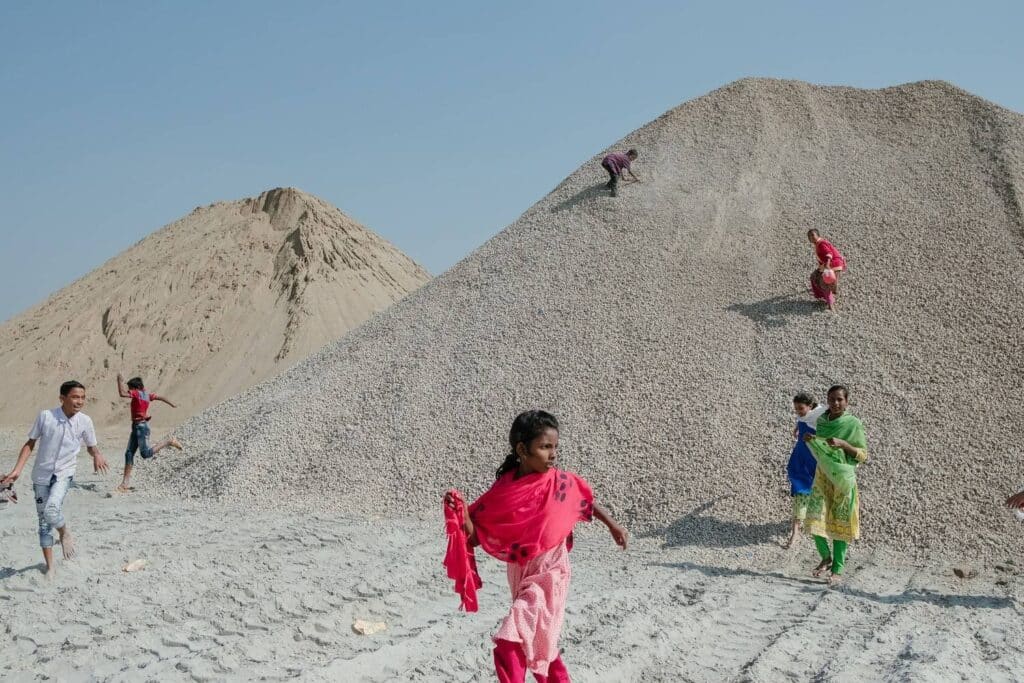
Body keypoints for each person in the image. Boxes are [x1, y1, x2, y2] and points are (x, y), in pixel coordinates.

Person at [443, 410, 628, 682]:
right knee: (541, 636)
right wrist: (460, 511)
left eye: (555, 447)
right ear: (522, 449)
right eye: (544, 447)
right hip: (522, 572)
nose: (553, 454)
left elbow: (583, 501)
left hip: (552, 573)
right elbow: (476, 534)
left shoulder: (559, 482)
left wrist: (613, 526)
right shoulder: (505, 489)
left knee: (512, 635)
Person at [1, 380, 109, 577]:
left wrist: (98, 455)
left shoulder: (85, 421)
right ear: (62, 398)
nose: (80, 401)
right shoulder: (46, 416)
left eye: (83, 398)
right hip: (40, 476)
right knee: (43, 523)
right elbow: (30, 443)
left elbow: (91, 446)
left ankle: (64, 532)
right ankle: (50, 566)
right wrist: (17, 470)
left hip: (63, 474)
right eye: (75, 397)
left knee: (51, 511)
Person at [802, 385, 868, 587]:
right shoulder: (822, 421)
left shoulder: (853, 424)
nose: (836, 403)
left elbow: (863, 455)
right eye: (832, 399)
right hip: (823, 477)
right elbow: (823, 449)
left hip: (842, 480)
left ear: (847, 401)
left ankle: (837, 569)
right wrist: (812, 441)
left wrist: (843, 444)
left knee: (841, 523)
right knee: (814, 518)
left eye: (840, 399)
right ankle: (825, 557)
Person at [115, 373, 181, 493]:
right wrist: (172, 404)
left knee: (145, 454)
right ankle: (124, 484)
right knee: (129, 454)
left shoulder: (137, 393)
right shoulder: (147, 394)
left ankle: (169, 441)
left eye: (130, 388)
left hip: (141, 428)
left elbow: (122, 394)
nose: (130, 391)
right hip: (136, 427)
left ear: (136, 387)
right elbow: (161, 397)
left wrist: (119, 380)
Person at [784, 393, 827, 549]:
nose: (798, 412)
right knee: (799, 493)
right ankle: (795, 533)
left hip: (812, 462)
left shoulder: (818, 416)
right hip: (799, 461)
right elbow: (802, 420)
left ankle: (819, 525)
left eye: (801, 408)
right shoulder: (806, 416)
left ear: (810, 406)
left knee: (815, 493)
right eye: (795, 409)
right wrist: (797, 426)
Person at [807, 229, 847, 311]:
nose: (811, 237)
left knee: (825, 283)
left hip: (833, 264)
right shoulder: (818, 244)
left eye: (812, 235)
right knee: (814, 276)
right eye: (809, 236)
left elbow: (829, 253)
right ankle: (824, 293)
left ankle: (831, 305)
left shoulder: (821, 243)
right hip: (828, 264)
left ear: (818, 235)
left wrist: (828, 264)